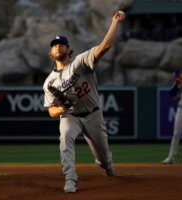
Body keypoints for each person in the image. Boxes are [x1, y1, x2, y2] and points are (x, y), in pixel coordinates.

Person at [43, 11, 126, 193]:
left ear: (68, 49)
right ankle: (70, 179)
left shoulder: (80, 63)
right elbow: (51, 111)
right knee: (64, 137)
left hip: (93, 113)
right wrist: (63, 107)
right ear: (51, 53)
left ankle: (107, 163)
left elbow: (104, 46)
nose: (58, 47)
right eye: (54, 46)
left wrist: (114, 23)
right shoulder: (49, 82)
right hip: (70, 115)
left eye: (61, 45)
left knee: (103, 158)